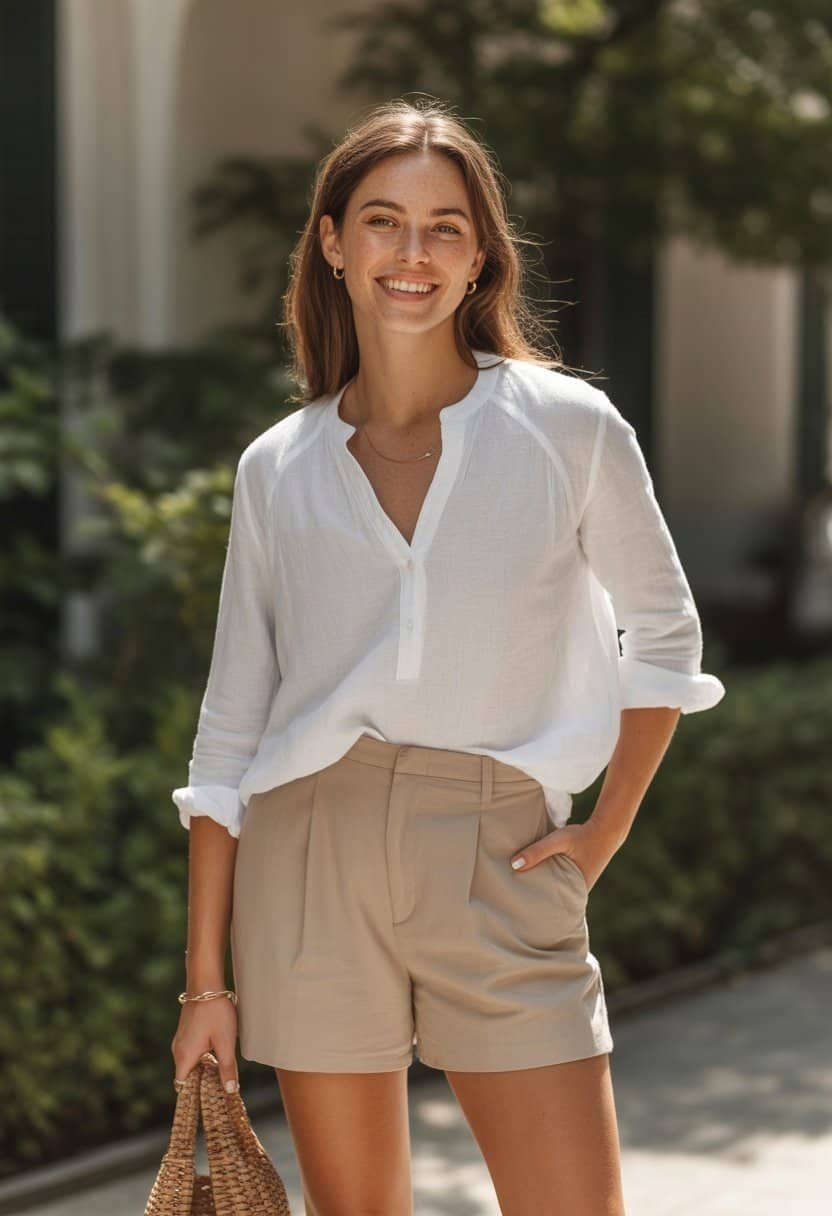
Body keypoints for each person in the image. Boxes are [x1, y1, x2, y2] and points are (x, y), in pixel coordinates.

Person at [170, 97, 725, 1215]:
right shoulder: (277, 467)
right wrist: (204, 985)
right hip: (312, 855)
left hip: (501, 847)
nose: (410, 253)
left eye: (443, 227)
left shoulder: (568, 429)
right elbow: (230, 726)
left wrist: (602, 831)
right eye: (381, 220)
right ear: (331, 243)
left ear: (481, 259)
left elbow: (662, 633)